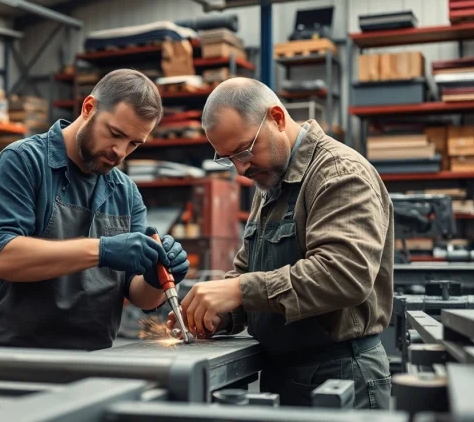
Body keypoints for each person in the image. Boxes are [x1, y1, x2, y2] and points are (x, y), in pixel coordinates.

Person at [167, 78, 394, 409]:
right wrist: (218, 313)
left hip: (342, 377)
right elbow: (250, 270)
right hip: (285, 375)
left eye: (244, 151)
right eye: (228, 158)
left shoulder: (339, 174)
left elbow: (345, 274)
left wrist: (239, 291)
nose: (241, 168)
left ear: (276, 117)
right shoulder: (270, 185)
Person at [0, 69, 190, 351]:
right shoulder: (24, 162)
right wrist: (101, 251)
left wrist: (156, 277)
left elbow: (141, 297)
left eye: (134, 143)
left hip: (94, 358)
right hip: (16, 356)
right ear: (89, 108)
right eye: (115, 133)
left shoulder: (126, 192)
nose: (120, 152)